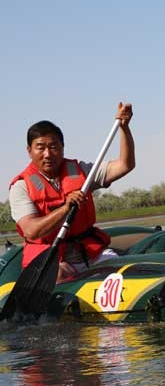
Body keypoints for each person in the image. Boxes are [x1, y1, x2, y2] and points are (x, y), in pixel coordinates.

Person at [8, 104, 135, 282]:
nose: (47, 154)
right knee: (58, 274)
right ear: (29, 151)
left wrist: (124, 128)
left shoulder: (81, 171)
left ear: (62, 147)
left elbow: (125, 165)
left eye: (53, 146)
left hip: (90, 254)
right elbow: (32, 231)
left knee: (123, 271)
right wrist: (65, 208)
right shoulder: (21, 187)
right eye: (40, 147)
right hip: (55, 260)